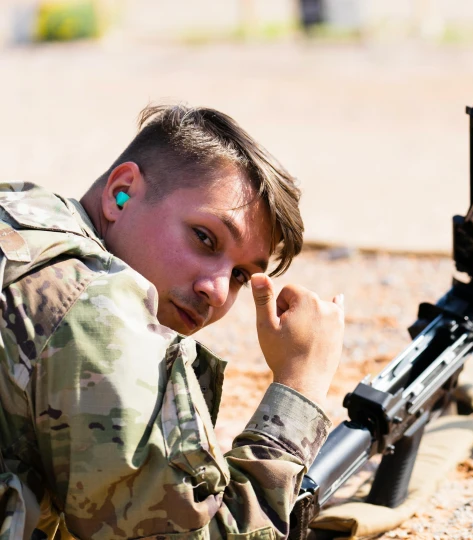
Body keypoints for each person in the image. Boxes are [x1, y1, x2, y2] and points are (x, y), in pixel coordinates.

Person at [0, 104, 345, 539]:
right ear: (120, 193)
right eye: (205, 238)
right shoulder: (93, 311)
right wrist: (301, 386)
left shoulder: (21, 214)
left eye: (240, 275)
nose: (217, 292)